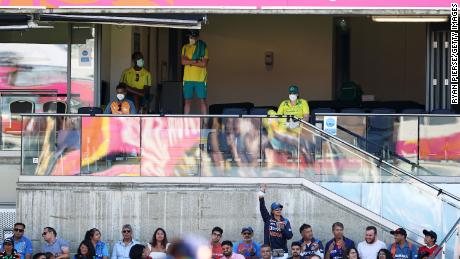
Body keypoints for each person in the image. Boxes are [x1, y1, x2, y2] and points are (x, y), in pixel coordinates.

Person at [258, 185, 293, 259]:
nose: (278, 210)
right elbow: (262, 208)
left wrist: (282, 228)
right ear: (272, 211)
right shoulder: (268, 219)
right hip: (268, 251)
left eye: (280, 209)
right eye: (276, 209)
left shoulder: (285, 221)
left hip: (281, 251)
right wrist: (261, 193)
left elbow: (289, 236)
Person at [181, 29, 209, 114]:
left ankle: (204, 123)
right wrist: (196, 61)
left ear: (197, 37)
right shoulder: (185, 47)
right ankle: (185, 123)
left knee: (202, 101)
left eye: (192, 36)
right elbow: (183, 62)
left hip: (200, 78)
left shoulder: (203, 47)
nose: (190, 38)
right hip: (187, 78)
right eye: (189, 37)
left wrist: (189, 61)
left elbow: (204, 64)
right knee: (187, 102)